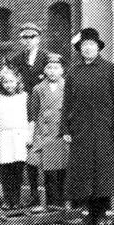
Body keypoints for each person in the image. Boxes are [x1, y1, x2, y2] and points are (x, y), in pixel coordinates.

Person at [62, 27, 114, 225]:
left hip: (106, 129)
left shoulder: (111, 70)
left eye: (91, 45)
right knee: (83, 170)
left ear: (98, 47)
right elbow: (67, 103)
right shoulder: (73, 72)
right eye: (84, 45)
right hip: (81, 129)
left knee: (104, 171)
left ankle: (102, 212)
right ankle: (86, 211)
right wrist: (65, 129)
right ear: (80, 48)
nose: (87, 48)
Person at [9, 23, 51, 205]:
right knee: (28, 152)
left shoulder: (47, 59)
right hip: (23, 111)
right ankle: (33, 193)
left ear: (38, 39)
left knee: (47, 150)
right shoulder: (16, 60)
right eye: (24, 38)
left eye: (31, 37)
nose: (28, 41)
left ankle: (51, 195)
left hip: (44, 111)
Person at [28, 52, 69, 208]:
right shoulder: (38, 89)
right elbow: (33, 114)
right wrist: (32, 135)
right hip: (43, 134)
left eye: (56, 68)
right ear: (44, 70)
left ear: (62, 70)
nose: (52, 71)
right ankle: (49, 206)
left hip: (60, 135)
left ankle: (61, 206)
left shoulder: (67, 87)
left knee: (61, 173)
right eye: (49, 68)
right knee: (47, 173)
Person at [0, 66, 30, 210]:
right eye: (5, 82)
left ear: (17, 82)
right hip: (3, 136)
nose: (9, 85)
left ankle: (16, 200)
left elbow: (31, 118)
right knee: (5, 169)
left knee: (17, 169)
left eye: (12, 81)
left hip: (20, 135)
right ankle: (7, 200)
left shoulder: (24, 97)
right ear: (1, 83)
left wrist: (29, 135)